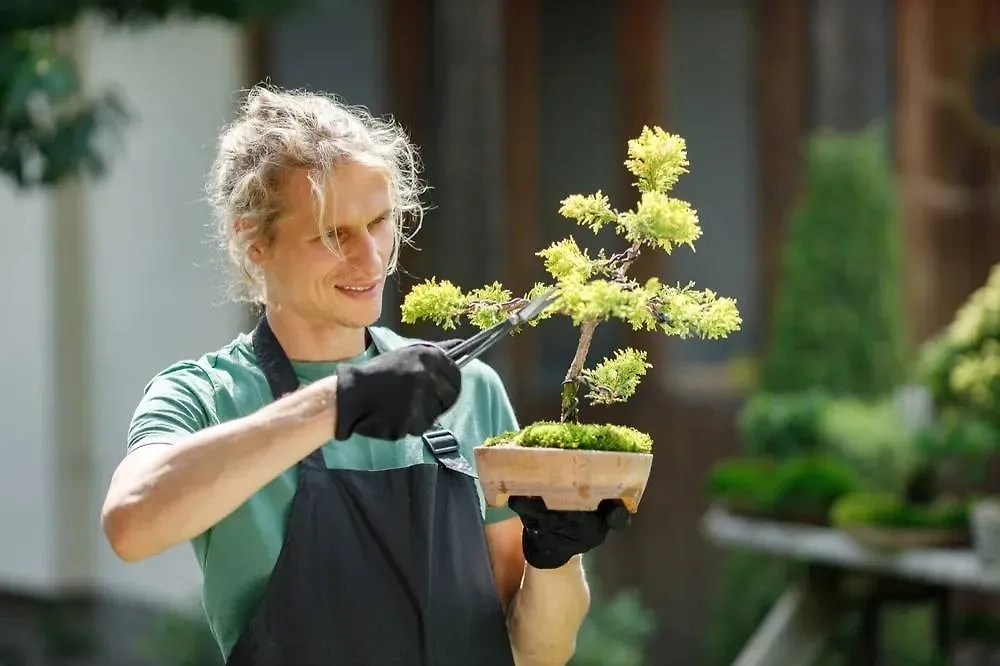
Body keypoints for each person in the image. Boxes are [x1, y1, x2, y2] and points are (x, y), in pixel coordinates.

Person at [100, 85, 627, 666]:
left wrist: (555, 559)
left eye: (380, 222)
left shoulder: (463, 392)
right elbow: (132, 522)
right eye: (333, 235)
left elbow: (536, 653)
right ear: (254, 243)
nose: (372, 259)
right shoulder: (203, 397)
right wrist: (337, 403)